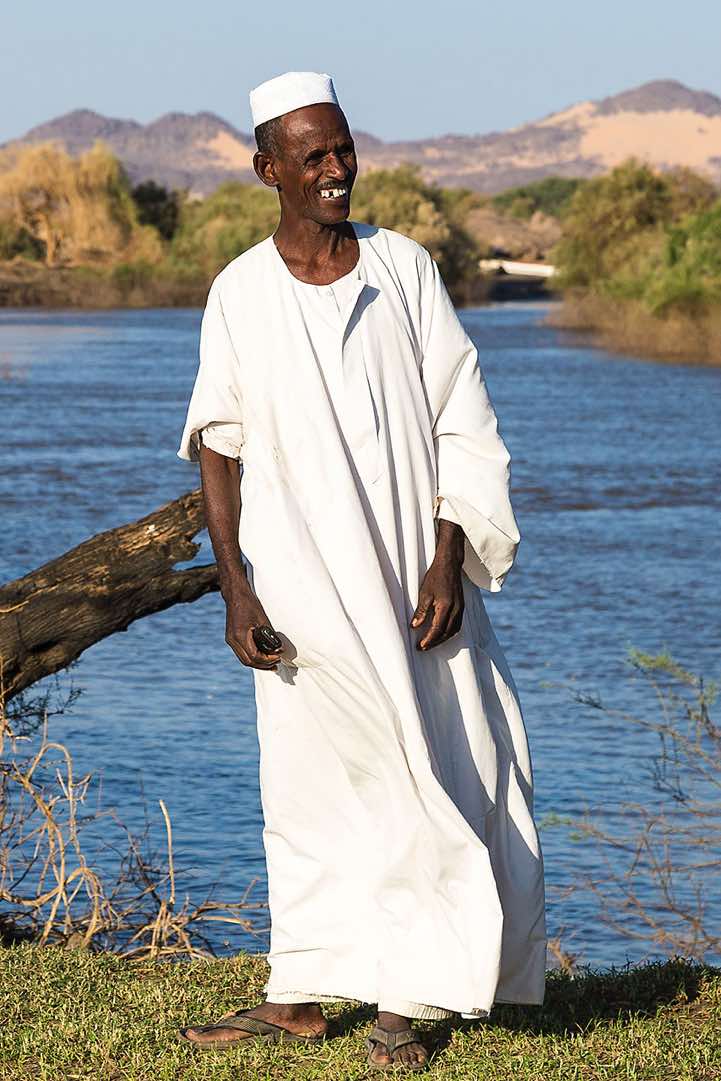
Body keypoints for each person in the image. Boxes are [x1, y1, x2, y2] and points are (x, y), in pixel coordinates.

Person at [177, 70, 546, 1073]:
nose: (336, 168)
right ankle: (298, 993)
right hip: (298, 584)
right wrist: (235, 587)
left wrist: (447, 559)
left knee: (425, 768)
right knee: (308, 786)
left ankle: (405, 999)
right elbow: (218, 444)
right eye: (313, 155)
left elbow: (462, 419)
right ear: (269, 171)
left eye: (343, 147)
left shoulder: (403, 268)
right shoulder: (240, 292)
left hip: (413, 583)